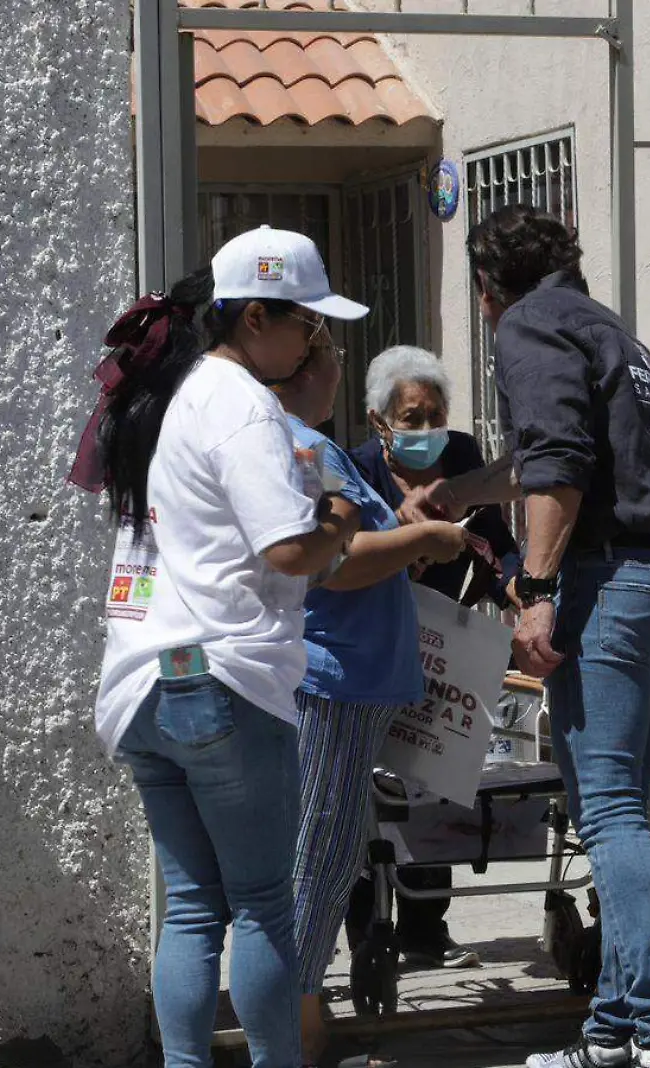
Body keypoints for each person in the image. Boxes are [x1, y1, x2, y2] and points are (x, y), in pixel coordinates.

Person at [400, 206, 650, 1068]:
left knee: (609, 809)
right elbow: (549, 455)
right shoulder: (603, 326)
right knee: (610, 806)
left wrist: (535, 593)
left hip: (607, 581)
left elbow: (560, 468)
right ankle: (614, 1028)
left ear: (484, 288)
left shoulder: (528, 325)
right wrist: (457, 492)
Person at [73, 226, 367, 1068]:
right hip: (227, 683)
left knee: (196, 906)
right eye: (308, 324)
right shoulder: (242, 406)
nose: (316, 342)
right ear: (255, 317)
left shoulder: (192, 391)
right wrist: (339, 520)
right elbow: (288, 550)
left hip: (147, 688)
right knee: (266, 906)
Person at [265, 338, 471, 1065]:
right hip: (335, 682)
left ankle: (303, 1026)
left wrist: (406, 529)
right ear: (304, 371)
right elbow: (335, 566)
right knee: (317, 859)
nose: (339, 379)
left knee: (327, 855)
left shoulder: (315, 448)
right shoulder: (302, 448)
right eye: (333, 364)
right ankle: (296, 1037)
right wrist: (427, 536)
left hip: (355, 682)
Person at [343, 344, 526, 971]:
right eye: (413, 417)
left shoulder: (465, 460)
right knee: (367, 791)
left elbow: (495, 543)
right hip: (373, 642)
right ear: (380, 421)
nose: (428, 431)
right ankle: (367, 925)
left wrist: (521, 595)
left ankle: (426, 927)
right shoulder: (355, 468)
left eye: (437, 415)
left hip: (444, 643)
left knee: (434, 774)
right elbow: (347, 555)